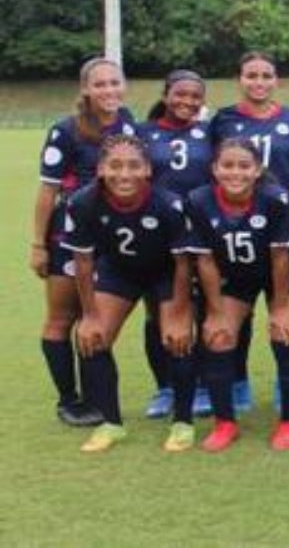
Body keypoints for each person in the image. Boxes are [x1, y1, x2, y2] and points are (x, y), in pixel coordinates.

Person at [61, 135, 195, 452]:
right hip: (119, 271)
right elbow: (82, 262)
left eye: (134, 165)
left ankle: (183, 422)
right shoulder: (82, 202)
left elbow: (183, 264)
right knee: (92, 338)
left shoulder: (169, 204)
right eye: (115, 165)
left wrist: (178, 313)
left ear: (147, 169)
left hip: (166, 273)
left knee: (177, 338)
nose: (124, 174)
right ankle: (111, 423)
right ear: (101, 168)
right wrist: (90, 315)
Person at [32, 57, 136, 427]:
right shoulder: (66, 130)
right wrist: (38, 244)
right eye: (100, 84)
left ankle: (96, 397)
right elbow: (48, 190)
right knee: (63, 317)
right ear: (86, 89)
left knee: (96, 316)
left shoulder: (129, 123)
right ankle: (68, 400)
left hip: (111, 237)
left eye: (114, 83)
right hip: (68, 235)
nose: (109, 90)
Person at [208, 52, 289, 412]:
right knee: (239, 311)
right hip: (235, 226)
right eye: (251, 75)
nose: (259, 82)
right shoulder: (223, 120)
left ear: (276, 80)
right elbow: (213, 167)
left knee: (285, 310)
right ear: (240, 79)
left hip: (282, 223)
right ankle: (238, 387)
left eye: (266, 75)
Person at [186, 139, 289, 451]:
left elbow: (280, 258)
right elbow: (206, 260)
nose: (235, 172)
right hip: (235, 275)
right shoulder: (198, 201)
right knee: (217, 334)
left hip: (281, 275)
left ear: (257, 170)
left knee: (285, 333)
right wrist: (214, 311)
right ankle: (225, 423)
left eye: (243, 166)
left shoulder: (277, 199)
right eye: (227, 165)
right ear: (214, 169)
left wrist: (279, 308)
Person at [137, 69, 212, 419]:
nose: (188, 102)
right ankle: (165, 387)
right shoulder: (143, 133)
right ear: (166, 95)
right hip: (155, 234)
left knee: (201, 310)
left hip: (200, 233)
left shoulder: (209, 133)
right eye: (181, 94)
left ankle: (199, 386)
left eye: (196, 97)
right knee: (158, 313)